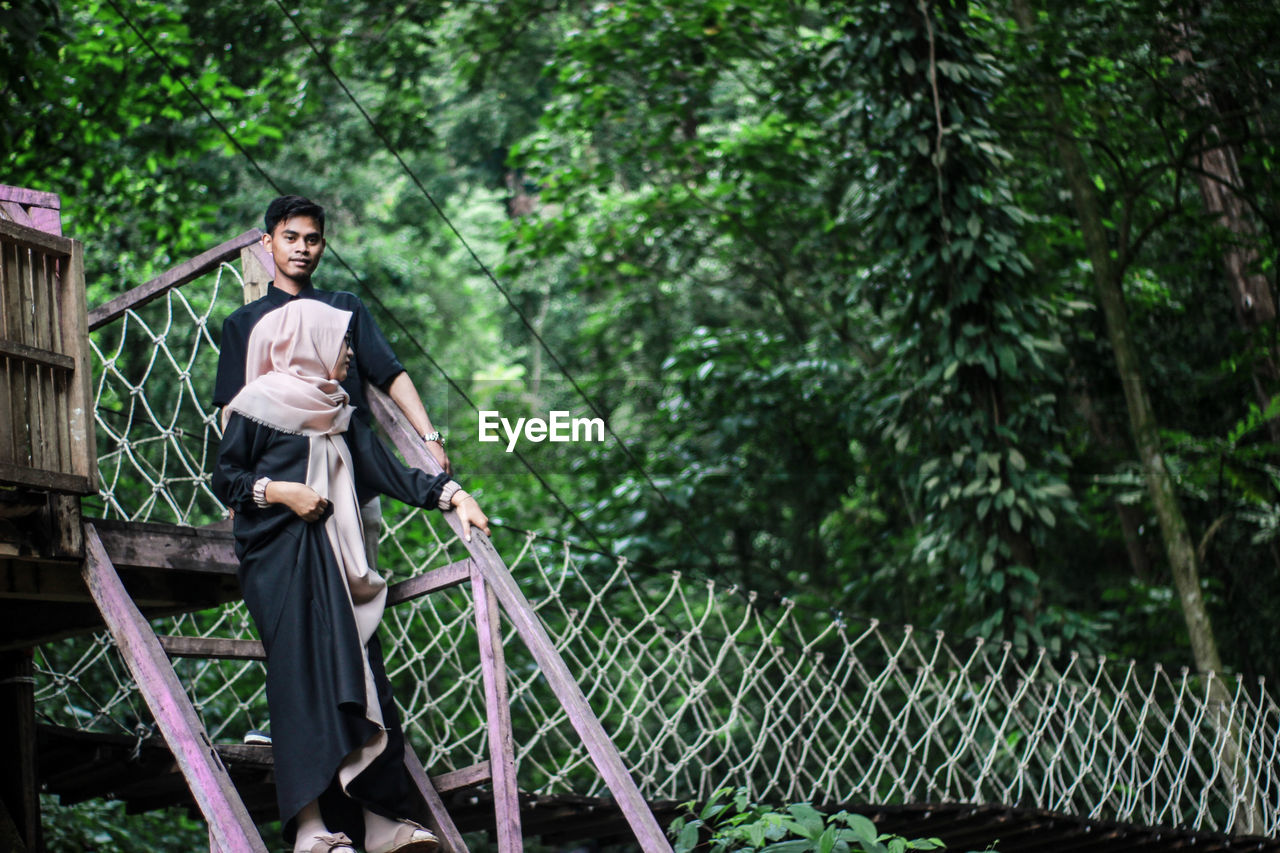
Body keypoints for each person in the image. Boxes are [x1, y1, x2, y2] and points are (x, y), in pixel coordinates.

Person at [213, 299, 489, 853]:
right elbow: (227, 479)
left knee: (363, 681)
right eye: (340, 342)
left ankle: (380, 823)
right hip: (279, 558)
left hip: (338, 561)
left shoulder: (342, 412)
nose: (349, 352)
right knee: (299, 682)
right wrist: (284, 492)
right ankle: (310, 830)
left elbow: (388, 473)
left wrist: (454, 495)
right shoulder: (257, 405)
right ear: (308, 343)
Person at [214, 195, 450, 568]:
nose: (301, 249)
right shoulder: (243, 324)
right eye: (290, 237)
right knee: (293, 601)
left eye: (312, 239)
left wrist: (429, 439)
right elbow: (232, 410)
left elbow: (390, 374)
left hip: (353, 478)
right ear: (267, 242)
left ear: (322, 245)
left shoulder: (345, 309)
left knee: (361, 594)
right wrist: (239, 490)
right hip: (280, 491)